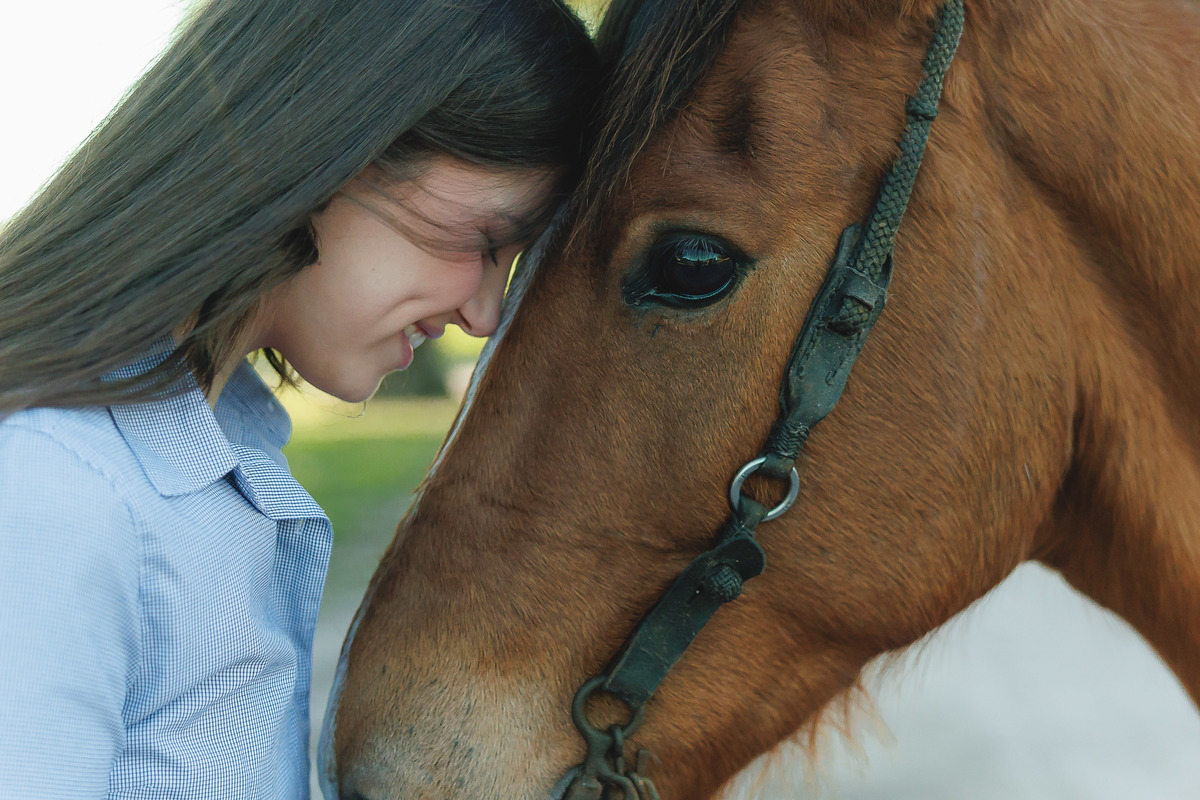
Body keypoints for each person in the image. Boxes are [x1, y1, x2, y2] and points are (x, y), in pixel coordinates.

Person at [0, 0, 598, 796]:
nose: (482, 315)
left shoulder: (216, 460)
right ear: (334, 147)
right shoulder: (55, 480)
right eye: (486, 241)